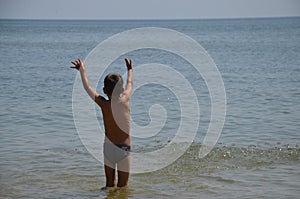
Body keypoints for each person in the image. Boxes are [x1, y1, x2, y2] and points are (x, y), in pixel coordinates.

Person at [70, 58, 133, 188]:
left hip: (108, 148)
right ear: (121, 89)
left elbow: (87, 87)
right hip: (123, 148)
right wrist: (130, 70)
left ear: (104, 91)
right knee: (123, 186)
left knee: (109, 185)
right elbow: (130, 83)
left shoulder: (103, 104)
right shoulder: (125, 99)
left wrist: (82, 70)